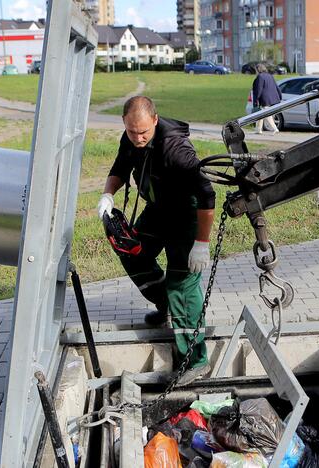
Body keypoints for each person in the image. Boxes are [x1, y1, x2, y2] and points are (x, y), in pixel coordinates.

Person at [97, 96, 216, 386]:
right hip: (158, 210)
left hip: (186, 215)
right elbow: (120, 168)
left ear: (155, 120)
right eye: (131, 131)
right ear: (126, 124)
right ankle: (164, 305)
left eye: (143, 133)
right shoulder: (131, 138)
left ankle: (196, 360)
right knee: (130, 249)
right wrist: (108, 194)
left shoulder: (176, 150)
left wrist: (202, 242)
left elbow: (207, 194)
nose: (137, 138)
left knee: (182, 284)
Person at [251, 63, 281, 134]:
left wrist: (255, 100)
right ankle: (258, 130)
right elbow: (276, 87)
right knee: (260, 113)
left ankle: (275, 128)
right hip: (273, 98)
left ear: (258, 70)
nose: (255, 72)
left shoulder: (260, 77)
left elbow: (259, 90)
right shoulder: (270, 76)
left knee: (266, 114)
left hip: (265, 99)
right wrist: (279, 96)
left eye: (256, 70)